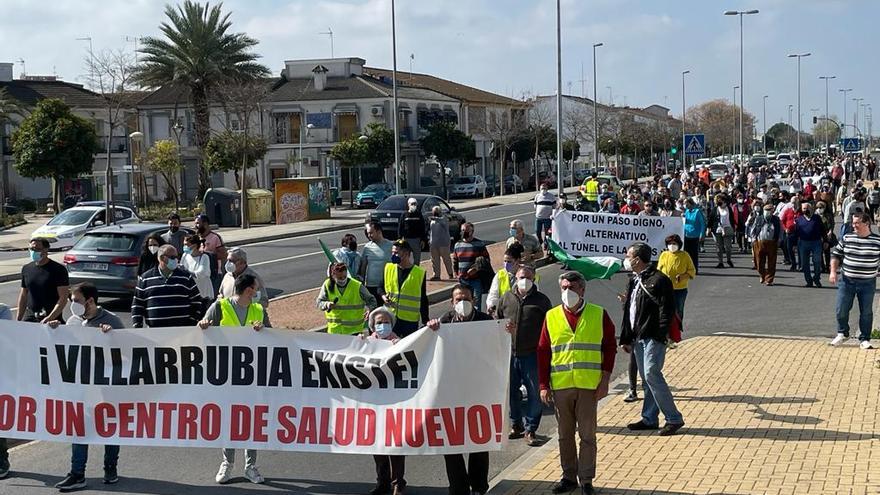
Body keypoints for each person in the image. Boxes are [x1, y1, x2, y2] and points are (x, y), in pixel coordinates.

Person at [537, 271, 616, 495]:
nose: (567, 292)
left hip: (589, 386)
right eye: (563, 288)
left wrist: (605, 380)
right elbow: (543, 352)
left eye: (572, 288)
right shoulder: (551, 316)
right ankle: (568, 477)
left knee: (588, 436)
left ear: (582, 290)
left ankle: (587, 480)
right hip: (561, 386)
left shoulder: (599, 314)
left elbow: (610, 347)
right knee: (564, 435)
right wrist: (543, 385)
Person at [47, 283, 124, 491]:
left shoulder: (112, 321)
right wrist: (55, 331)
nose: (73, 305)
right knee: (79, 428)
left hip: (107, 388)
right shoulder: (73, 322)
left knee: (109, 428)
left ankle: (110, 467)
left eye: (77, 301)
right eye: (72, 301)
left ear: (90, 301)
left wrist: (112, 338)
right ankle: (77, 473)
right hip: (81, 387)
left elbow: (128, 354)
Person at [198, 273, 270, 485]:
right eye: (255, 288)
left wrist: (263, 329)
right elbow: (200, 330)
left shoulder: (258, 310)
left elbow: (274, 340)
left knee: (251, 420)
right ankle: (227, 463)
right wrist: (202, 325)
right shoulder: (220, 307)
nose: (257, 292)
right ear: (248, 290)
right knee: (229, 420)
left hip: (251, 376)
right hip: (226, 376)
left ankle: (250, 466)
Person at [426, 284, 492, 495]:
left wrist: (507, 332)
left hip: (479, 391)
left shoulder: (487, 322)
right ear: (451, 303)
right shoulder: (444, 322)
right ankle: (459, 488)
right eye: (458, 300)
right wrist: (430, 329)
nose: (462, 303)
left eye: (466, 298)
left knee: (480, 443)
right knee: (451, 444)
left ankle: (479, 487)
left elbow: (498, 348)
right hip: (451, 394)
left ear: (473, 300)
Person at [620, 242, 684, 436]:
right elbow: (630, 311)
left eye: (629, 256)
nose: (627, 260)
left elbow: (667, 309)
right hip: (638, 336)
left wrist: (661, 334)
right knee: (646, 379)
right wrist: (626, 337)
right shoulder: (634, 279)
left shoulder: (659, 280)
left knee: (651, 374)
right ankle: (649, 418)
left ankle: (673, 418)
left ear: (637, 260)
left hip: (653, 336)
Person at [496, 265, 552, 447]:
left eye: (528, 277)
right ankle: (516, 425)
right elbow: (496, 321)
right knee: (511, 392)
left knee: (535, 394)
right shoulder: (506, 298)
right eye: (521, 277)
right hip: (510, 354)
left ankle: (531, 429)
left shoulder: (541, 301)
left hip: (532, 355)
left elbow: (549, 328)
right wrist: (503, 328)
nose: (524, 280)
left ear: (534, 279)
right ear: (515, 278)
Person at [366, 306, 407, 495]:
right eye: (379, 323)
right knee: (377, 444)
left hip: (394, 403)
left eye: (386, 322)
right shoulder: (366, 344)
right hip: (374, 404)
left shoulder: (400, 343)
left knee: (395, 444)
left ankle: (398, 482)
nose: (383, 325)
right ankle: (382, 482)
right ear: (373, 326)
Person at [829, 212, 880, 349]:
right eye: (853, 223)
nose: (854, 226)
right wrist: (833, 272)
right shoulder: (847, 238)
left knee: (866, 312)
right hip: (847, 281)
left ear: (866, 223)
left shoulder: (877, 241)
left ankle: (864, 338)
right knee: (841, 309)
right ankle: (842, 333)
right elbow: (835, 254)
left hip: (867, 283)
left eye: (857, 223)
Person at [131, 245, 202, 328]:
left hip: (182, 331)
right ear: (161, 258)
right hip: (155, 332)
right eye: (173, 257)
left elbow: (197, 301)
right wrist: (137, 326)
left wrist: (192, 322)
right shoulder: (145, 278)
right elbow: (137, 305)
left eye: (177, 257)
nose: (176, 260)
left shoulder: (186, 277)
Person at [379, 240, 428, 337]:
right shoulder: (388, 268)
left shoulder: (419, 273)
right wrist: (383, 296)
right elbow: (380, 287)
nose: (393, 255)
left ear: (406, 254)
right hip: (391, 317)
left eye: (396, 253)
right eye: (392, 252)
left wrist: (425, 320)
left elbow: (423, 298)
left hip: (409, 321)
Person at [316, 262, 377, 335]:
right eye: (339, 278)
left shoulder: (357, 286)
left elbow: (371, 300)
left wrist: (370, 309)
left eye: (344, 277)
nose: (342, 280)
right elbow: (319, 303)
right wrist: (327, 304)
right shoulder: (327, 285)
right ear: (333, 276)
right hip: (335, 330)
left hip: (354, 331)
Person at [17, 238, 69, 323]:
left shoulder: (58, 269)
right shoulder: (26, 268)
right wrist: (18, 319)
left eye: (37, 249)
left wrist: (50, 317)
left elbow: (63, 298)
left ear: (46, 249)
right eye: (31, 249)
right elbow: (23, 295)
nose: (33, 252)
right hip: (30, 318)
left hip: (51, 320)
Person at [453, 222, 492, 312]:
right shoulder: (457, 245)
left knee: (476, 303)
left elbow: (485, 260)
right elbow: (455, 261)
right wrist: (456, 274)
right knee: (463, 303)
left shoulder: (479, 244)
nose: (464, 232)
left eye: (466, 231)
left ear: (472, 232)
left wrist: (475, 269)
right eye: (462, 230)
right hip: (463, 280)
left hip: (476, 280)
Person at [657, 235, 696, 320]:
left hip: (680, 289)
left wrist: (683, 276)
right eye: (670, 243)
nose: (672, 245)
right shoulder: (664, 255)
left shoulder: (685, 255)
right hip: (665, 289)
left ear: (679, 244)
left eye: (674, 243)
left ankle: (677, 330)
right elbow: (658, 270)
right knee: (664, 310)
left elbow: (692, 270)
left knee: (678, 310)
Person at [747, 204, 783, 285]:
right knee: (759, 262)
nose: (768, 212)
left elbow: (781, 230)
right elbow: (753, 229)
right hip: (760, 242)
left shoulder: (776, 219)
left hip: (772, 242)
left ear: (772, 211)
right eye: (766, 210)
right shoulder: (758, 219)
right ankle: (762, 275)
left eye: (770, 210)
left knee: (772, 262)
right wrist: (753, 240)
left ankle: (769, 279)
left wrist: (779, 240)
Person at [360, 222, 395, 300]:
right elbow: (363, 266)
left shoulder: (391, 246)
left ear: (379, 231)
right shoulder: (367, 247)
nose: (369, 236)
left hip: (386, 285)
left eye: (371, 233)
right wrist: (362, 282)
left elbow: (396, 265)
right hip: (370, 286)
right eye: (368, 233)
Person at [486, 243, 524, 313]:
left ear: (517, 261)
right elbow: (493, 294)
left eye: (509, 261)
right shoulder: (500, 274)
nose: (506, 264)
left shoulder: (526, 274)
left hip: (521, 310)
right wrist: (491, 306)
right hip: (504, 311)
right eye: (505, 261)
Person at [795, 202, 825, 288]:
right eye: (803, 208)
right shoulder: (799, 219)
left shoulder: (817, 218)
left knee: (817, 261)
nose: (805, 210)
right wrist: (794, 244)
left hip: (816, 242)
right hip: (803, 243)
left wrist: (826, 240)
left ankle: (816, 278)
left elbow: (823, 229)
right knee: (805, 264)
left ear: (811, 208)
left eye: (807, 208)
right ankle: (809, 281)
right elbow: (796, 232)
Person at [181, 234, 214, 312]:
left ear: (195, 245)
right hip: (191, 294)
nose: (185, 247)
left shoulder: (204, 257)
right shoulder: (185, 255)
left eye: (187, 245)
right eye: (184, 245)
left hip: (204, 294)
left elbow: (201, 273)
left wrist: (186, 271)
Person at [195, 214, 227, 291]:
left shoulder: (215, 237)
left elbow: (223, 255)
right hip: (201, 273)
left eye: (198, 223)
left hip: (214, 273)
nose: (196, 226)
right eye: (195, 223)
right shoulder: (195, 238)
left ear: (205, 224)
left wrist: (208, 255)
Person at [706, 195, 736, 268]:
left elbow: (732, 219)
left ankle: (729, 259)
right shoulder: (715, 209)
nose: (719, 202)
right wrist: (708, 228)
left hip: (728, 229)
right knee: (719, 247)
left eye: (721, 200)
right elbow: (710, 219)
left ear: (724, 201)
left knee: (728, 247)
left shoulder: (728, 208)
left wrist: (734, 227)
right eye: (718, 200)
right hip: (718, 230)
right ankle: (720, 262)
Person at [428, 206, 454, 281]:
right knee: (434, 260)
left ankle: (450, 273)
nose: (435, 213)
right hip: (434, 243)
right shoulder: (432, 220)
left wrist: (434, 218)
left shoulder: (444, 219)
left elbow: (441, 221)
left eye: (436, 212)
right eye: (434, 212)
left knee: (446, 259)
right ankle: (436, 275)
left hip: (443, 243)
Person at [398, 197, 426, 265]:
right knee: (405, 256)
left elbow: (423, 227)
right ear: (408, 205)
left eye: (415, 204)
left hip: (417, 239)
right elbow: (400, 227)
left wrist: (423, 239)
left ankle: (416, 271)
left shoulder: (419, 215)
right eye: (412, 204)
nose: (414, 205)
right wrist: (399, 238)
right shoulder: (404, 215)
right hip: (407, 239)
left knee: (417, 258)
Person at [682, 198, 705, 274]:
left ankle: (695, 269)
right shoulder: (687, 211)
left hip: (695, 236)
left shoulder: (697, 211)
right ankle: (687, 269)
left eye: (686, 203)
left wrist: (702, 234)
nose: (685, 205)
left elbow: (702, 223)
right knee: (686, 254)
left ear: (690, 203)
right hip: (686, 235)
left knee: (694, 254)